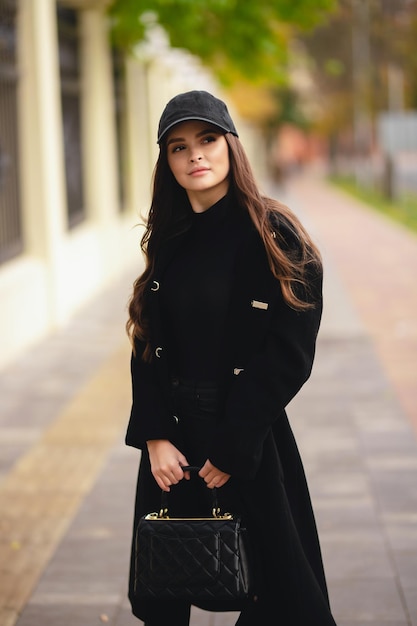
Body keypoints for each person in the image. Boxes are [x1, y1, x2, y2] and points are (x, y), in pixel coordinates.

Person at [125, 90, 338, 626]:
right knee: (163, 587)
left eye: (207, 139)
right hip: (171, 445)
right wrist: (154, 437)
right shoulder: (169, 238)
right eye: (178, 147)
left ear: (231, 146)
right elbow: (147, 340)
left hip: (245, 435)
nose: (194, 155)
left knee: (283, 594)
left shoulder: (273, 233)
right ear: (166, 162)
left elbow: (290, 353)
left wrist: (233, 445)